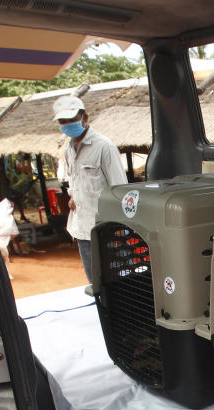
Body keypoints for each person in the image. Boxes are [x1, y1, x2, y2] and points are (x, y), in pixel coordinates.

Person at [52, 95, 128, 295]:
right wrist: (72, 197)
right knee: (95, 283)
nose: (67, 125)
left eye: (72, 120)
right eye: (63, 122)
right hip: (82, 227)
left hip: (104, 229)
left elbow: (120, 188)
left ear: (85, 117)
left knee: (114, 282)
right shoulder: (69, 149)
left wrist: (120, 225)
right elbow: (74, 180)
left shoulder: (104, 146)